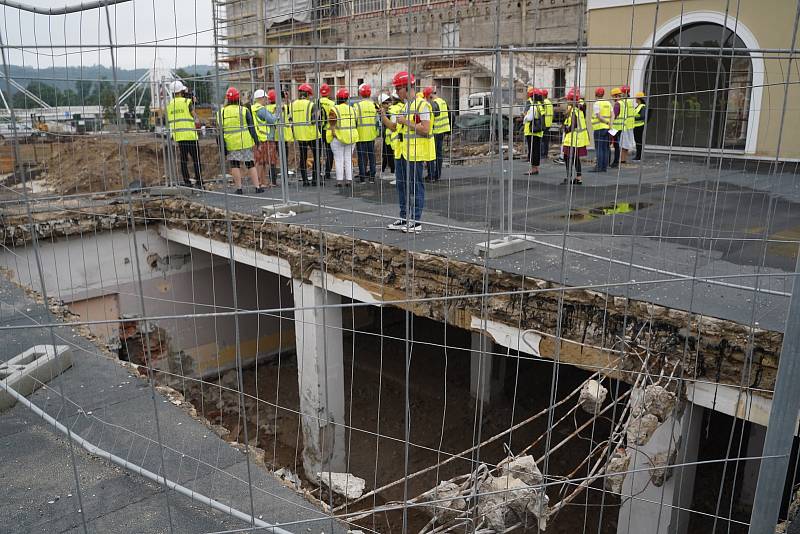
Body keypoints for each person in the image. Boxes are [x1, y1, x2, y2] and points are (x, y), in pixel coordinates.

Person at [380, 71, 433, 234]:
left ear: (406, 87)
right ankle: (404, 218)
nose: (396, 92)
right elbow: (395, 127)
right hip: (402, 153)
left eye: (398, 88)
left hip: (416, 153)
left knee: (416, 186)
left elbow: (426, 129)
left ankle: (416, 221)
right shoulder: (404, 106)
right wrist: (383, 116)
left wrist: (406, 122)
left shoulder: (422, 105)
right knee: (402, 186)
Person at [217, 86, 263, 194]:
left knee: (235, 165)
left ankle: (239, 188)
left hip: (231, 143)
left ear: (227, 99)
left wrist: (221, 146)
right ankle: (257, 187)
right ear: (238, 98)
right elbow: (252, 128)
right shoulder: (244, 110)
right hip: (245, 142)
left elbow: (219, 132)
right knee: (250, 164)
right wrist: (257, 142)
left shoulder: (221, 112)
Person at [166, 80, 202, 188]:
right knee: (196, 159)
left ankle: (187, 181)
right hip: (190, 135)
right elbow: (194, 117)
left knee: (183, 160)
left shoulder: (169, 105)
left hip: (179, 136)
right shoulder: (187, 102)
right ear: (182, 91)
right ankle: (199, 181)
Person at [328, 87, 359, 187]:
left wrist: (333, 133)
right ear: (347, 98)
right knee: (348, 158)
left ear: (337, 98)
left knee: (338, 159)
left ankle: (340, 181)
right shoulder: (352, 109)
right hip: (351, 137)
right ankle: (349, 180)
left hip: (338, 137)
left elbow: (332, 123)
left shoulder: (334, 109)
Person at [291, 83, 319, 186]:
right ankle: (315, 180)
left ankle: (305, 181)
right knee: (316, 157)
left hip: (299, 135)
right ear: (308, 94)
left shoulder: (292, 104)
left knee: (303, 157)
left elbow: (291, 119)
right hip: (312, 134)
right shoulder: (312, 105)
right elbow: (315, 120)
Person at [251, 89, 279, 187]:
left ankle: (261, 182)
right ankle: (262, 181)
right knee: (267, 161)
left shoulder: (253, 108)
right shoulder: (261, 109)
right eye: (265, 98)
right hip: (266, 137)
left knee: (260, 161)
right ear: (261, 98)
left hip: (258, 138)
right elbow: (271, 120)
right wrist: (277, 115)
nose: (266, 100)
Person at [561, 88, 589, 185]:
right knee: (575, 158)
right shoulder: (579, 109)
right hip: (578, 138)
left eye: (568, 99)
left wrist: (566, 128)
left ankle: (569, 178)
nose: (567, 101)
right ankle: (578, 177)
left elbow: (574, 124)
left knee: (567, 157)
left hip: (572, 138)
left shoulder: (574, 111)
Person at [424, 85, 450, 182]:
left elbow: (430, 119)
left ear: (430, 95)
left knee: (431, 154)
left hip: (435, 132)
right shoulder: (442, 101)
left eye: (427, 97)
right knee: (439, 154)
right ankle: (437, 175)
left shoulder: (433, 104)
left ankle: (431, 176)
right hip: (442, 131)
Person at [354, 83, 379, 183]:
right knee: (371, 157)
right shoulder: (374, 105)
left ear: (360, 93)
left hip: (361, 135)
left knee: (361, 157)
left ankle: (363, 178)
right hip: (372, 135)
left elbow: (354, 120)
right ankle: (372, 177)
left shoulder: (357, 106)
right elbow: (377, 120)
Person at [523, 88, 545, 175]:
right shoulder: (540, 105)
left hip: (531, 131)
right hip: (538, 131)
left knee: (532, 150)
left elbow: (529, 118)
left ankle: (533, 169)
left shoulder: (533, 106)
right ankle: (536, 168)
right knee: (536, 150)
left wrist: (525, 118)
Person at [589, 87, 612, 172]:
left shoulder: (597, 104)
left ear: (596, 94)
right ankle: (604, 167)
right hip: (607, 128)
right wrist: (610, 124)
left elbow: (598, 116)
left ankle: (599, 167)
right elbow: (612, 114)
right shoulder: (608, 103)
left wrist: (606, 122)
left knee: (599, 149)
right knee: (605, 148)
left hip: (599, 129)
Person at [317, 83, 335, 180]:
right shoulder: (332, 103)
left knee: (318, 152)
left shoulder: (316, 102)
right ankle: (327, 172)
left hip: (318, 130)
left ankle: (318, 172)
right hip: (328, 131)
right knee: (329, 152)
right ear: (328, 93)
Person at [379, 93, 395, 176]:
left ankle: (392, 172)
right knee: (386, 154)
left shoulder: (389, 112)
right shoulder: (387, 111)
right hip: (388, 137)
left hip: (390, 137)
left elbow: (389, 125)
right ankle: (383, 170)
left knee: (389, 155)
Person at [609, 87, 624, 168]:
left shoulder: (617, 104)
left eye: (613, 96)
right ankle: (616, 161)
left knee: (614, 144)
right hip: (620, 126)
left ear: (615, 96)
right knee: (616, 144)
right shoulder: (622, 103)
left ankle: (615, 162)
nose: (613, 98)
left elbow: (614, 115)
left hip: (615, 127)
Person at [633, 91, 647, 160]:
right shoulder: (637, 107)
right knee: (637, 141)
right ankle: (638, 156)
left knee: (639, 142)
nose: (635, 99)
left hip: (640, 126)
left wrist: (633, 118)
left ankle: (639, 156)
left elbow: (642, 116)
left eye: (636, 98)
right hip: (636, 126)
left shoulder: (642, 106)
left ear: (638, 99)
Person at [540, 88, 554, 159]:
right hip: (549, 123)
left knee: (542, 140)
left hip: (544, 123)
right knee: (546, 140)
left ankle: (542, 154)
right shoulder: (549, 102)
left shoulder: (543, 103)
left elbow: (542, 113)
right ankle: (545, 153)